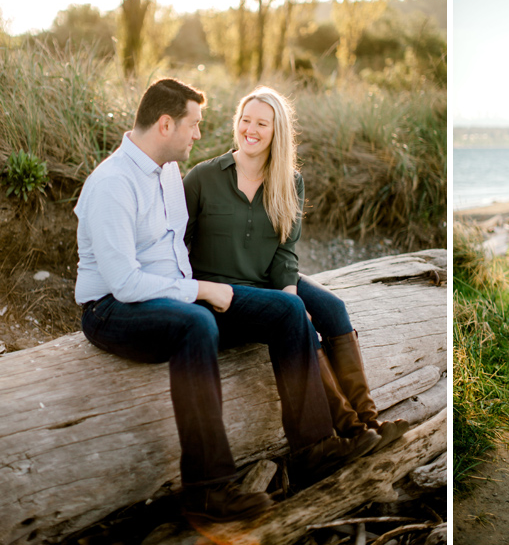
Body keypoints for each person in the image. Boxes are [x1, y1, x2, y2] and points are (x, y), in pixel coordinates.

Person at [75, 78, 378, 524]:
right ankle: (208, 489)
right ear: (165, 124)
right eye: (193, 125)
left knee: (289, 309)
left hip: (174, 297)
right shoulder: (112, 184)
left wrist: (214, 291)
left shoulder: (168, 173)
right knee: (196, 325)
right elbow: (123, 284)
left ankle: (315, 450)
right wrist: (203, 290)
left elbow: (181, 247)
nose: (199, 134)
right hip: (112, 311)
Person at [183, 86, 409, 458]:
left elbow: (285, 250)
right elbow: (175, 243)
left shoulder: (290, 181)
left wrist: (288, 293)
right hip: (225, 294)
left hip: (268, 278)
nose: (250, 130)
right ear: (236, 123)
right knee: (295, 319)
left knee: (332, 308)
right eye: (245, 120)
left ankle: (369, 422)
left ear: (278, 131)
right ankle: (350, 429)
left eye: (262, 123)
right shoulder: (203, 177)